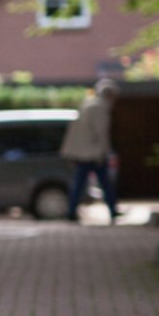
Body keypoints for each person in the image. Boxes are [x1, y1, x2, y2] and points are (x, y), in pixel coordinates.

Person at [60, 77, 120, 222]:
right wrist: (104, 152)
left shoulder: (87, 104)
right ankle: (112, 210)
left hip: (82, 154)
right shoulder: (100, 107)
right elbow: (101, 133)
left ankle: (72, 211)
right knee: (104, 183)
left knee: (80, 184)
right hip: (94, 154)